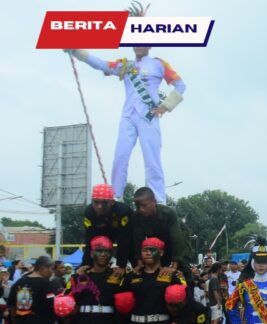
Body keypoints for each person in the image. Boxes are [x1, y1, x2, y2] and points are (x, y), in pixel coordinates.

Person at [64, 2, 186, 203]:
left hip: (149, 117)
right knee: (120, 158)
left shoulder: (159, 64)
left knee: (152, 161)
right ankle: (116, 197)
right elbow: (102, 65)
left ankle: (159, 200)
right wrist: (77, 52)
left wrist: (165, 106)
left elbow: (180, 85)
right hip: (128, 117)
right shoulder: (124, 66)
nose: (139, 45)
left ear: (150, 44)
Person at [131, 187, 190, 270]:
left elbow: (177, 239)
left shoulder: (168, 213)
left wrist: (175, 263)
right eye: (137, 206)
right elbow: (138, 240)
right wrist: (139, 261)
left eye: (144, 205)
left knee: (182, 266)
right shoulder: (137, 217)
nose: (141, 209)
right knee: (155, 268)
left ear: (154, 201)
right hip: (159, 245)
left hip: (180, 241)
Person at [80, 184, 134, 270]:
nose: (99, 206)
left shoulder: (123, 212)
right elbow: (89, 239)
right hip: (101, 233)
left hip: (122, 232)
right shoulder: (89, 213)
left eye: (104, 203)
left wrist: (121, 265)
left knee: (131, 247)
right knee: (97, 247)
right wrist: (86, 264)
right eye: (96, 202)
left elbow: (124, 240)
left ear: (112, 202)